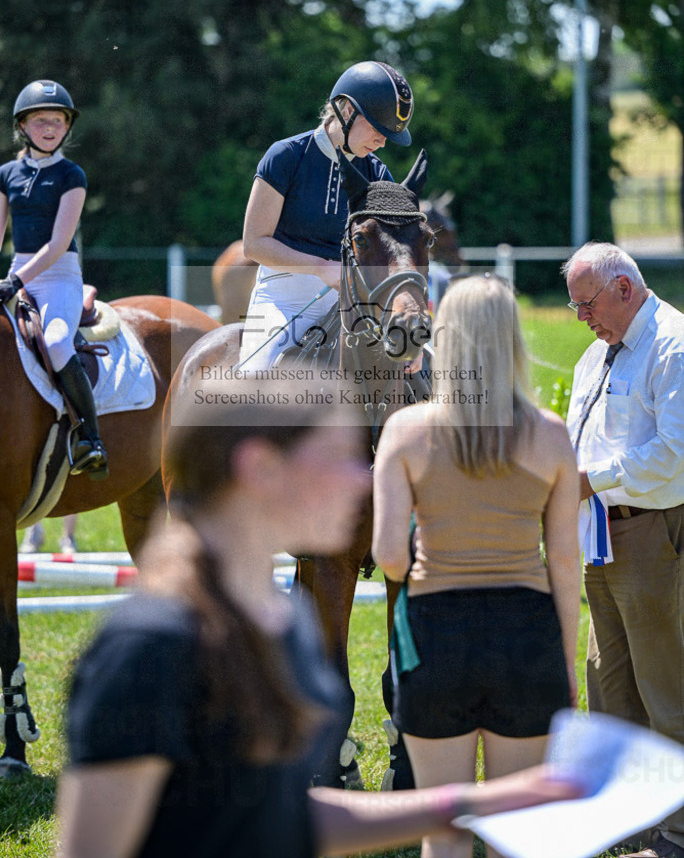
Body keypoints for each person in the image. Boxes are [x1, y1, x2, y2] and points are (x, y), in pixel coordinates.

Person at [56, 371, 583, 858]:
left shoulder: (284, 620)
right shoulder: (149, 648)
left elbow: (280, 812)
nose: (364, 479)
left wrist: (473, 804)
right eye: (338, 455)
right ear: (261, 467)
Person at [372, 274, 581, 858]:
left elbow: (389, 557)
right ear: (512, 341)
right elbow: (564, 561)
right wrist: (563, 660)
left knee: (446, 836)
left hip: (437, 637)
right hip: (527, 636)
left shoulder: (406, 431)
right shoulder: (551, 435)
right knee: (523, 837)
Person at [562, 241, 684, 858]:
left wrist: (590, 481)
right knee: (611, 684)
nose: (582, 317)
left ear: (625, 289)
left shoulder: (675, 346)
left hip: (653, 531)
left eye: (587, 304)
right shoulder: (595, 354)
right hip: (601, 536)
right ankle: (637, 821)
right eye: (576, 306)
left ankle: (679, 834)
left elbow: (676, 452)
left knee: (666, 686)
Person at [238, 59, 418, 372]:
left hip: (354, 304)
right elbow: (254, 243)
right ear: (347, 111)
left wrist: (407, 328)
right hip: (284, 299)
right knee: (256, 374)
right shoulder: (286, 156)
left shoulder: (379, 175)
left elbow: (393, 255)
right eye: (377, 128)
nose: (382, 141)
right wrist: (321, 267)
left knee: (425, 373)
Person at [0, 79, 107, 479]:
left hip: (57, 276)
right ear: (23, 127)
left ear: (67, 128)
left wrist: (15, 281)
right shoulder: (6, 173)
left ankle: (91, 438)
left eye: (58, 120)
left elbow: (60, 243)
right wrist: (9, 278)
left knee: (58, 340)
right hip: (18, 272)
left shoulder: (71, 175)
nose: (49, 127)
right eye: (40, 120)